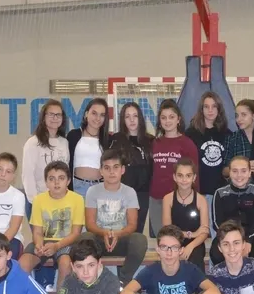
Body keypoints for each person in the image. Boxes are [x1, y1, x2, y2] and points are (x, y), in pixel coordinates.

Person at [82, 149, 149, 285]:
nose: (111, 172)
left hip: (121, 239)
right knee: (84, 238)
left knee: (140, 240)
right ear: (101, 171)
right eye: (107, 168)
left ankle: (123, 281)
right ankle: (92, 279)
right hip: (100, 240)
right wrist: (104, 233)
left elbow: (132, 225)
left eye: (116, 167)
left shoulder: (129, 192)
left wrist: (118, 234)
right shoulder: (92, 191)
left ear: (122, 170)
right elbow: (90, 224)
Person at [18, 161, 85, 289]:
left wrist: (57, 246)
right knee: (22, 265)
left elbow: (76, 233)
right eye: (51, 179)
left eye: (61, 178)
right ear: (46, 182)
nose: (56, 182)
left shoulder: (78, 199)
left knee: (65, 264)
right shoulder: (39, 200)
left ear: (68, 181)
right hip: (44, 242)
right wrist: (38, 245)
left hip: (66, 243)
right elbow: (37, 232)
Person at [148, 99, 200, 237]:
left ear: (179, 119)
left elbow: (195, 175)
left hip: (179, 200)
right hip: (157, 199)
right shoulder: (155, 143)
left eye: (171, 117)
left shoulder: (187, 144)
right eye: (163, 117)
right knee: (163, 238)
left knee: (178, 238)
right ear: (159, 121)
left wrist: (194, 199)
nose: (167, 121)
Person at [210, 156, 254, 265]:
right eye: (235, 171)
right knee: (216, 255)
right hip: (226, 235)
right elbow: (217, 223)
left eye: (243, 171)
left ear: (250, 172)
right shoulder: (220, 193)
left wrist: (246, 241)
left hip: (252, 236)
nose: (239, 175)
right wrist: (232, 241)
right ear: (230, 173)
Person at [108, 102, 154, 235]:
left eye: (135, 116)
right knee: (119, 231)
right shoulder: (116, 140)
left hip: (143, 195)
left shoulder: (150, 140)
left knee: (136, 233)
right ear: (123, 120)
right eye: (127, 116)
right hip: (121, 194)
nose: (132, 120)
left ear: (140, 118)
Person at [22, 99, 70, 220]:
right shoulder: (33, 143)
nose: (55, 118)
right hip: (39, 201)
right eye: (51, 114)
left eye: (58, 115)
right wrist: (36, 202)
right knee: (41, 238)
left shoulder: (64, 142)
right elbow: (27, 175)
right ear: (43, 117)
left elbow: (66, 171)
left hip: (60, 200)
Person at [185, 91, 232, 210]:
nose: (210, 110)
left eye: (214, 106)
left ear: (219, 109)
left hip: (220, 190)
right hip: (198, 190)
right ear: (201, 109)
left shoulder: (227, 134)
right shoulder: (191, 133)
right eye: (206, 107)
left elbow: (228, 164)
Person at [162, 158, 211, 272]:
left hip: (195, 243)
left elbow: (204, 232)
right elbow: (167, 230)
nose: (184, 180)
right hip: (173, 240)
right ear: (174, 177)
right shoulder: (168, 199)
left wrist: (190, 246)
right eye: (180, 175)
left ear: (194, 178)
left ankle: (197, 289)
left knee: (194, 258)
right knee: (170, 256)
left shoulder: (201, 200)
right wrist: (191, 234)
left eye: (188, 176)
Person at [67, 98, 110, 198]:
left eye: (102, 115)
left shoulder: (108, 140)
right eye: (94, 113)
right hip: (77, 187)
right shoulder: (73, 135)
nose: (98, 118)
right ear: (86, 114)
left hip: (100, 188)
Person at [222, 99, 254, 186]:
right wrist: (244, 166)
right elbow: (224, 171)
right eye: (237, 116)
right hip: (239, 190)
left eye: (244, 115)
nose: (239, 119)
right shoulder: (232, 138)